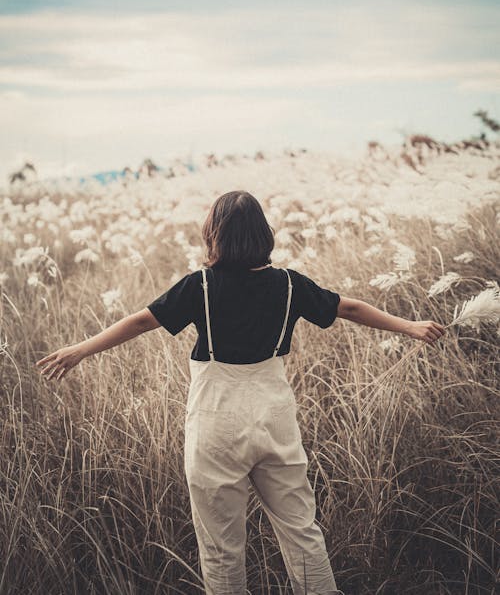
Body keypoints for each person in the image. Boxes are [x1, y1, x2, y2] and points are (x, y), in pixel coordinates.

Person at [35, 190, 446, 594]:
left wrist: (80, 349)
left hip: (216, 420)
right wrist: (409, 326)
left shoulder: (200, 285)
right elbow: (349, 308)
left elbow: (143, 321)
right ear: (263, 234)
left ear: (214, 233)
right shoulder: (289, 283)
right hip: (275, 415)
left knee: (221, 547)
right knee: (300, 529)